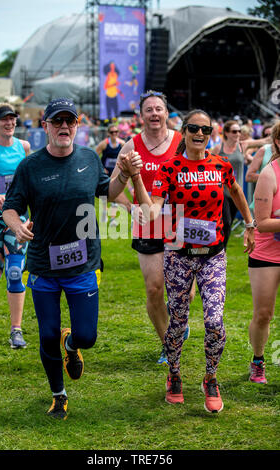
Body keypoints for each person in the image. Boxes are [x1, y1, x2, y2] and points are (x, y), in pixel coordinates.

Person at [2, 97, 142, 420]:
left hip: (84, 264)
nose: (64, 127)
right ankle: (58, 395)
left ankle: (71, 344)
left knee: (87, 337)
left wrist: (124, 173)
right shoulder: (30, 167)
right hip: (43, 266)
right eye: (57, 121)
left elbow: (108, 190)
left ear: (77, 125)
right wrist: (17, 226)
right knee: (47, 334)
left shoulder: (90, 159)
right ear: (45, 126)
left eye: (70, 121)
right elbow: (10, 207)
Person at [119, 109, 255, 413]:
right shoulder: (170, 169)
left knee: (214, 322)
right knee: (177, 322)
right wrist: (137, 177)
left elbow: (235, 190)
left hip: (213, 256)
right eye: (193, 128)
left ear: (211, 134)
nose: (199, 134)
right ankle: (175, 374)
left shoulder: (220, 165)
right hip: (179, 257)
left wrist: (249, 223)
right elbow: (152, 210)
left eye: (205, 130)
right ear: (185, 131)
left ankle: (210, 378)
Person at [112, 90, 191, 367]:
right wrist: (131, 208)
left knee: (185, 291)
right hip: (147, 226)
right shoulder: (130, 147)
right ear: (141, 115)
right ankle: (167, 345)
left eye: (159, 108)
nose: (154, 114)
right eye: (149, 110)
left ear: (166, 113)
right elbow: (112, 189)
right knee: (155, 289)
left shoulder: (183, 142)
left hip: (181, 225)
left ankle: (179, 320)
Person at [0, 102, 30, 348]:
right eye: (5, 119)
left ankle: (16, 331)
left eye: (13, 119)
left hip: (17, 216)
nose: (10, 123)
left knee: (14, 271)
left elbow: (32, 181)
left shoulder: (25, 147)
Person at [248, 120, 280, 384]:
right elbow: (262, 222)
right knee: (263, 314)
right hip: (266, 254)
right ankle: (258, 361)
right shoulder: (270, 173)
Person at [212, 120, 245, 248]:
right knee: (225, 221)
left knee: (228, 223)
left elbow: (263, 142)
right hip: (222, 191)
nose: (237, 134)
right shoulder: (218, 148)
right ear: (226, 133)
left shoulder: (242, 145)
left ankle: (220, 249)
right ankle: (220, 249)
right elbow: (206, 160)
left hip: (237, 191)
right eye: (234, 131)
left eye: (239, 131)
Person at [95, 123, 125, 225]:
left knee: (116, 195)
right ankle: (104, 214)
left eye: (116, 132)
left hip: (116, 173)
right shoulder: (104, 144)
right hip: (106, 174)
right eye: (112, 132)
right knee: (104, 195)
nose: (114, 134)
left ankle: (112, 218)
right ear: (108, 133)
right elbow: (94, 157)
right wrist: (102, 168)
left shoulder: (122, 144)